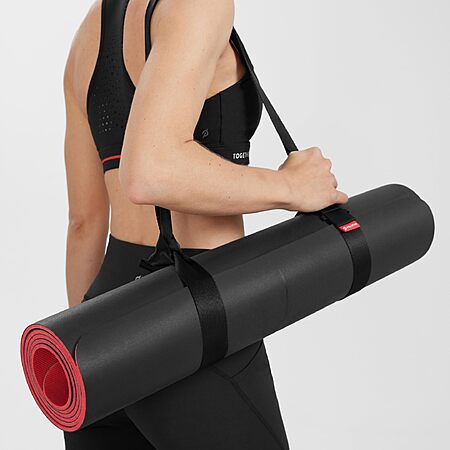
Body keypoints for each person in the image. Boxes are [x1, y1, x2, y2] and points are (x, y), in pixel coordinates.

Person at [63, 0, 348, 448]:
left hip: (98, 321)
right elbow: (149, 172)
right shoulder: (199, 4)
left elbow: (84, 222)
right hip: (191, 313)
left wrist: (85, 351)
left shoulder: (89, 33)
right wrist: (290, 187)